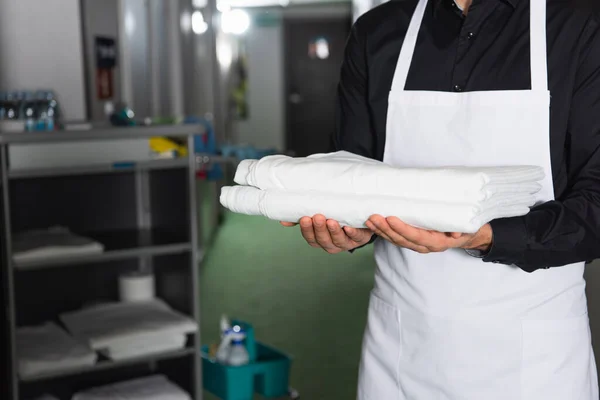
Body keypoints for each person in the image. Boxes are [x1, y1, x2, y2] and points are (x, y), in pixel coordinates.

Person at [282, 0, 600, 398]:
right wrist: (351, 229)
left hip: (535, 358)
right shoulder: (376, 32)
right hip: (401, 352)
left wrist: (484, 235)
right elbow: (355, 175)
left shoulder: (578, 25)